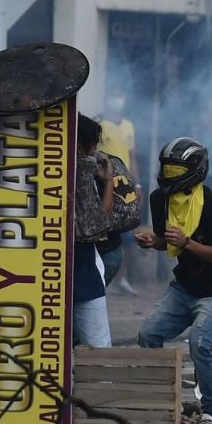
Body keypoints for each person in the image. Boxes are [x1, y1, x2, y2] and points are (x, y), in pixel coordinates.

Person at [136, 137, 212, 424]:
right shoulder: (160, 199)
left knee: (200, 342)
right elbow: (166, 242)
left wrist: (187, 243)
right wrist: (152, 241)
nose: (169, 175)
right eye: (167, 169)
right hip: (185, 285)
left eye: (175, 170)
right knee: (148, 334)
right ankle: (166, 405)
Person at [74, 115, 116, 347]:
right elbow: (100, 224)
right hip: (80, 266)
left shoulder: (87, 171)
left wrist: (106, 181)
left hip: (83, 268)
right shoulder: (83, 167)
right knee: (99, 347)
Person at [99, 92, 140, 295]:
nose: (118, 99)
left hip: (123, 186)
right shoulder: (99, 124)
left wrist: (137, 185)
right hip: (103, 185)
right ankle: (102, 277)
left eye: (120, 95)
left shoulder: (129, 126)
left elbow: (132, 158)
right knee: (103, 233)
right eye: (114, 95)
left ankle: (121, 279)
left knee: (127, 234)